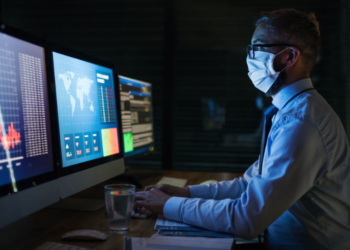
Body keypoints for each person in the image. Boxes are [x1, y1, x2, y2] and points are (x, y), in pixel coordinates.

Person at [134, 9, 350, 250]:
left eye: (256, 48)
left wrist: (166, 205)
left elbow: (247, 218)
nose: (249, 57)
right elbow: (249, 185)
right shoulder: (293, 110)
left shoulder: (301, 122)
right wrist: (184, 193)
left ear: (289, 57)